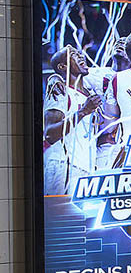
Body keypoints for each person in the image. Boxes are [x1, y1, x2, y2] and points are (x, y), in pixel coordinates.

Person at [43, 46, 102, 194]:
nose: (81, 56)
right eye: (74, 55)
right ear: (63, 66)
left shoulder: (89, 93)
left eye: (80, 53)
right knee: (59, 216)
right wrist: (83, 112)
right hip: (63, 166)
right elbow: (50, 134)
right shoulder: (60, 91)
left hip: (86, 169)